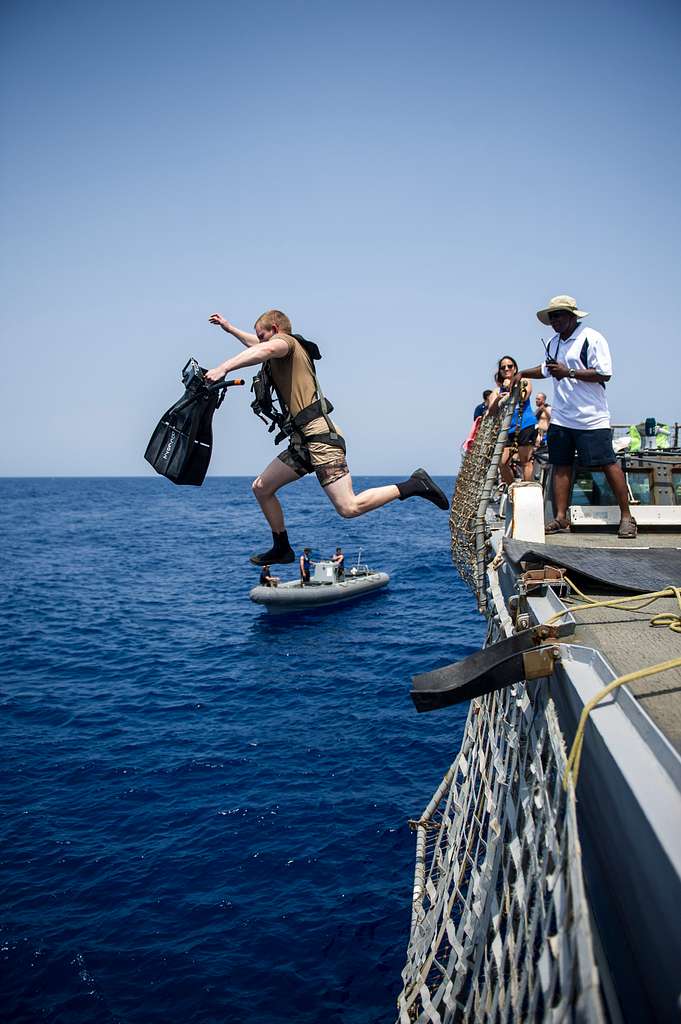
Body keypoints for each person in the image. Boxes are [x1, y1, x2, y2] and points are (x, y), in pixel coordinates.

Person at [205, 310, 449, 565]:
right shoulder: (280, 349)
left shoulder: (286, 343)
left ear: (276, 329)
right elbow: (258, 346)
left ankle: (414, 485)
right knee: (261, 488)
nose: (261, 342)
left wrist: (223, 367)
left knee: (348, 508)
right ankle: (282, 547)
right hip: (301, 442)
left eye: (263, 335)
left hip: (320, 437)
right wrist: (230, 328)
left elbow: (263, 350)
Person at [514, 295, 636, 538]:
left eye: (558, 315)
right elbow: (547, 369)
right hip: (561, 417)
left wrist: (568, 372)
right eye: (551, 317)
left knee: (608, 463)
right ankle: (560, 518)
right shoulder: (553, 342)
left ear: (572, 316)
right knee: (560, 465)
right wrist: (522, 373)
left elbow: (604, 373)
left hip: (592, 417)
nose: (554, 321)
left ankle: (626, 517)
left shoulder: (591, 338)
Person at [488, 355, 537, 483]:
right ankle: (512, 488)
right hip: (506, 429)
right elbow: (491, 412)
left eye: (509, 366)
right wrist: (499, 398)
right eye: (503, 367)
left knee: (525, 461)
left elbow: (524, 396)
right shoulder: (497, 391)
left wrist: (511, 386)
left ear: (515, 368)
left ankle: (527, 489)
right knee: (502, 463)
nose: (506, 369)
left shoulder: (524, 380)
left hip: (525, 424)